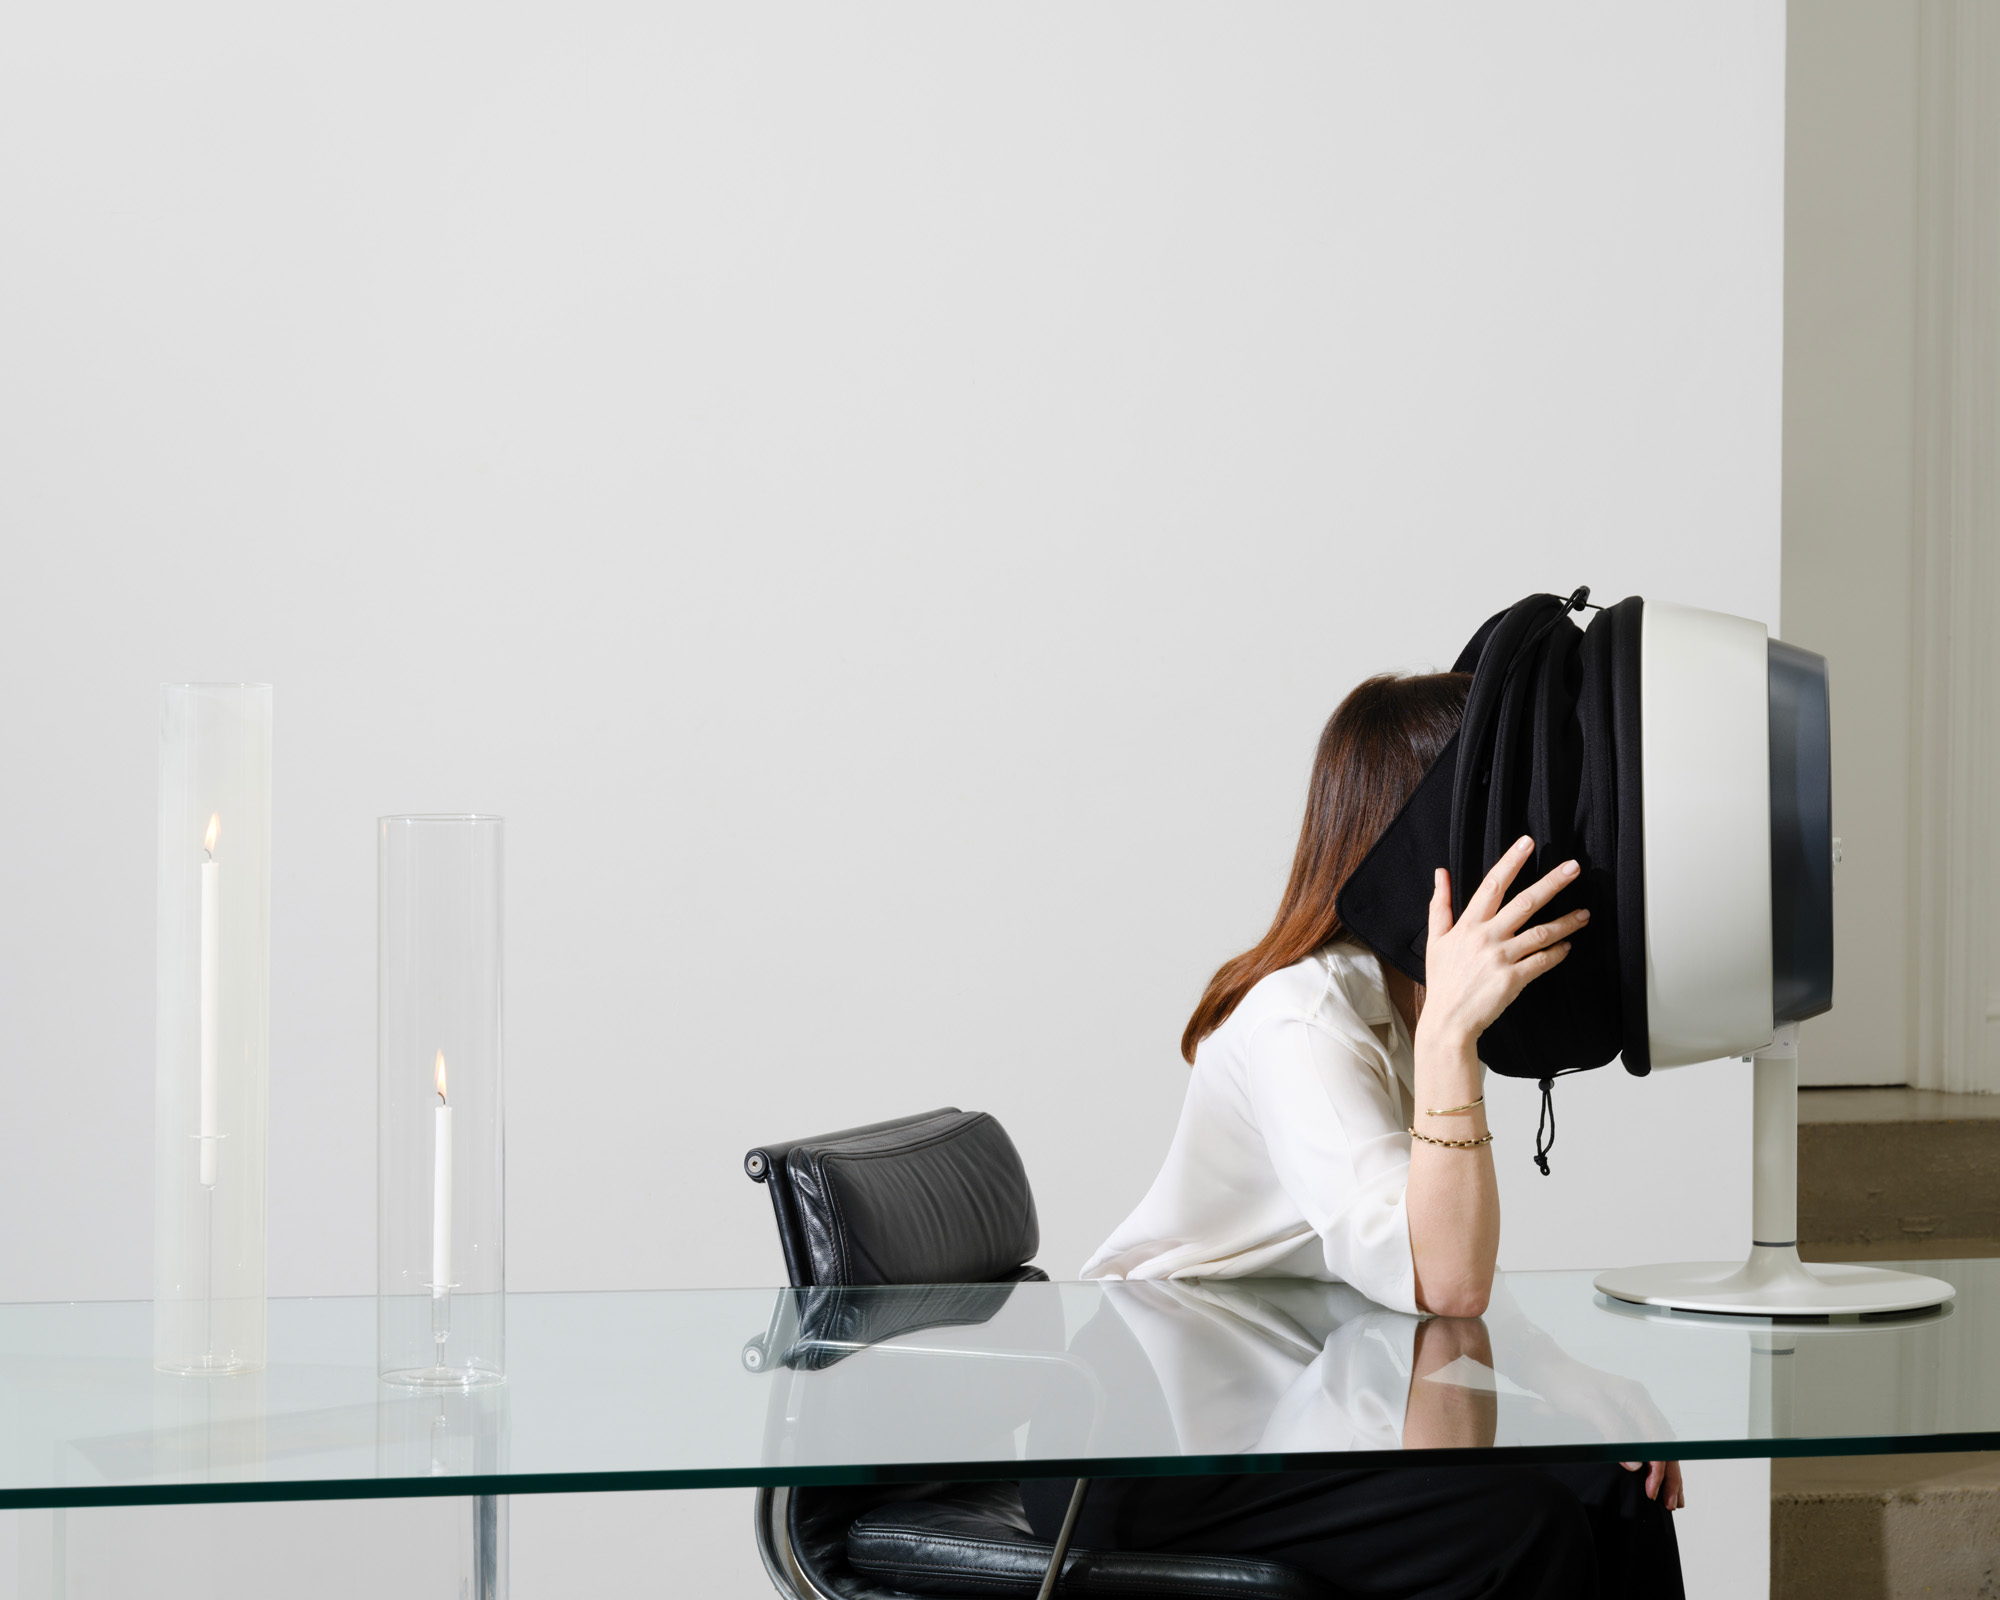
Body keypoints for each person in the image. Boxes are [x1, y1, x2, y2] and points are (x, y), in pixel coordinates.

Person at [1039, 672, 1683, 1599]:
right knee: (1523, 1527)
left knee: (1616, 1490)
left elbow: (1435, 1280)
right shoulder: (1303, 1018)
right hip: (1152, 1447)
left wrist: (1575, 1384)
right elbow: (1442, 1281)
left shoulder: (1402, 1004)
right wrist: (1455, 1034)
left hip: (1287, 1397)